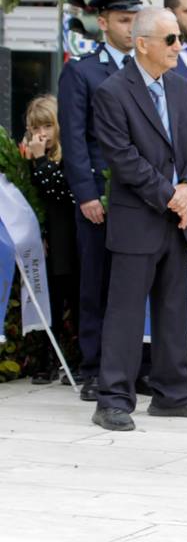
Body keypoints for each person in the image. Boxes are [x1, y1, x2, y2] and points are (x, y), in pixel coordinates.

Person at [90, 7, 187, 431]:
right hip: (139, 219)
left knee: (173, 309)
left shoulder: (180, 86)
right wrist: (171, 196)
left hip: (177, 219)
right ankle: (113, 400)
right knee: (125, 313)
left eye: (179, 38)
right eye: (170, 40)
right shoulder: (112, 92)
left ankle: (172, 394)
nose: (179, 46)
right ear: (142, 44)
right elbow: (123, 158)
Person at [57, 0, 145, 401]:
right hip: (102, 195)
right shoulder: (82, 71)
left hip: (142, 195)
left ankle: (131, 366)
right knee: (97, 283)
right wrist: (87, 194)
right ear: (104, 22)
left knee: (135, 286)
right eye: (124, 20)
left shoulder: (149, 68)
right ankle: (93, 367)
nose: (131, 28)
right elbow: (75, 138)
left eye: (136, 20)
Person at [22, 96, 78, 384]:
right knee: (47, 299)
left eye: (47, 126)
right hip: (46, 238)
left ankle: (79, 360)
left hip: (70, 236)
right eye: (35, 127)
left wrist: (42, 159)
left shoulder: (69, 155)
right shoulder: (26, 158)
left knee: (75, 298)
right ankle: (46, 359)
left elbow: (60, 191)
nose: (41, 133)